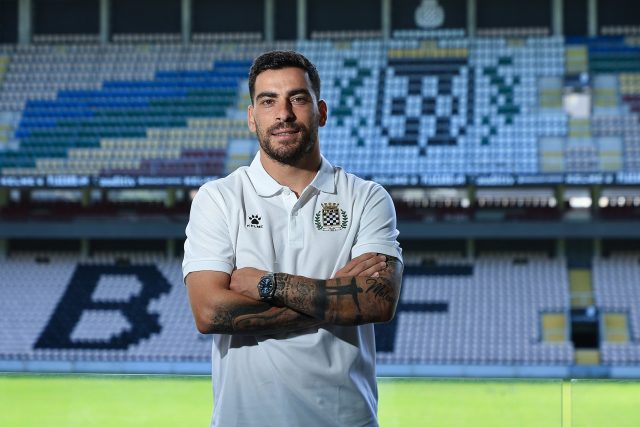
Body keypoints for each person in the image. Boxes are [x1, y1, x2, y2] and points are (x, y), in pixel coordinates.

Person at [182, 50, 403, 427]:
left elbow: (377, 302)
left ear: (321, 111)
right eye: (268, 101)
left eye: (297, 99)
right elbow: (209, 312)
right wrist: (336, 297)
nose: (283, 113)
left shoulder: (366, 197)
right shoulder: (218, 198)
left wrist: (268, 285)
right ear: (252, 117)